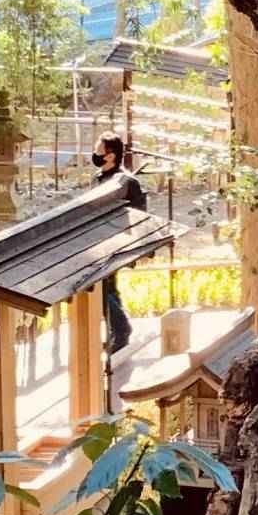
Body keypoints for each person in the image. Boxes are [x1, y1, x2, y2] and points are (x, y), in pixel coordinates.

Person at [91, 134, 147, 355]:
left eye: (99, 151)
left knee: (103, 288)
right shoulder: (97, 179)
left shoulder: (128, 182)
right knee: (109, 287)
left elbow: (138, 214)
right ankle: (117, 331)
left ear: (111, 155)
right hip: (97, 241)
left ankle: (121, 328)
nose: (95, 155)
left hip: (117, 240)